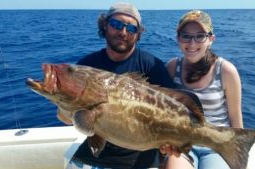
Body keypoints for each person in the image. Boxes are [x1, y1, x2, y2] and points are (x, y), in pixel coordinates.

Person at [60, 2, 176, 169]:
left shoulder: (152, 66)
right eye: (116, 24)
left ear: (138, 34)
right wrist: (64, 102)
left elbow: (173, 110)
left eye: (131, 28)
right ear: (105, 25)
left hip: (140, 157)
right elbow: (64, 118)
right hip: (95, 153)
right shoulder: (86, 66)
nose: (123, 32)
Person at [164, 10, 243, 169]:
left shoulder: (226, 71)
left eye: (200, 36)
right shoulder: (172, 67)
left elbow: (235, 117)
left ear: (211, 39)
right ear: (178, 39)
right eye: (186, 36)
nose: (192, 43)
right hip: (182, 143)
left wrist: (238, 154)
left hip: (217, 146)